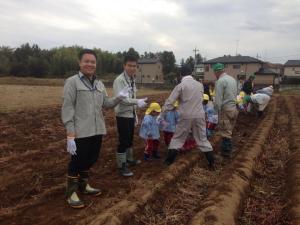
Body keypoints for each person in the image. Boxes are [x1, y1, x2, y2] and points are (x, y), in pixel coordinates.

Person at [61, 49, 130, 208]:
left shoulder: (99, 84)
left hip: (97, 129)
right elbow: (67, 108)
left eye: (93, 62)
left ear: (96, 64)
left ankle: (84, 185)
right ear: (80, 63)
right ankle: (71, 192)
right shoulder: (72, 82)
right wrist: (70, 133)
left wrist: (119, 97)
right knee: (77, 161)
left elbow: (106, 103)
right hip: (80, 131)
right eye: (86, 61)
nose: (90, 64)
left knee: (91, 159)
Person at [162, 65, 214, 168]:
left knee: (177, 138)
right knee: (202, 139)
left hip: (186, 115)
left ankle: (168, 162)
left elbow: (170, 102)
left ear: (181, 74)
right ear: (191, 73)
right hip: (199, 115)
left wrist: (162, 114)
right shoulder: (200, 85)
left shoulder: (181, 86)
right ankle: (211, 163)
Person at [113, 54, 148, 177]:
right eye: (130, 65)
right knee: (124, 140)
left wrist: (135, 113)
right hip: (122, 114)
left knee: (130, 139)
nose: (132, 68)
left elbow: (132, 96)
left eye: (134, 66)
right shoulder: (119, 80)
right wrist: (137, 102)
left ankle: (129, 159)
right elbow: (122, 99)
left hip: (130, 114)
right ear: (124, 65)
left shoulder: (132, 79)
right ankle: (122, 165)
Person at [213, 63, 238, 157]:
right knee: (229, 130)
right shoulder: (232, 79)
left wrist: (216, 112)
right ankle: (228, 150)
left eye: (214, 73)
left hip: (225, 109)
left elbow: (218, 99)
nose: (215, 75)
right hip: (234, 108)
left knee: (225, 133)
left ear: (217, 72)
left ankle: (225, 153)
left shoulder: (220, 81)